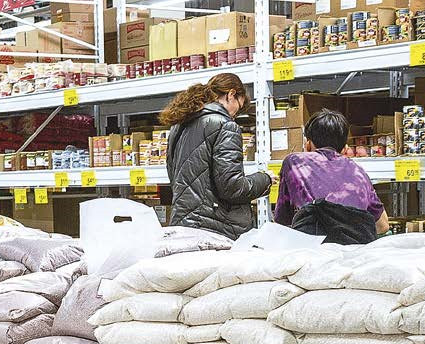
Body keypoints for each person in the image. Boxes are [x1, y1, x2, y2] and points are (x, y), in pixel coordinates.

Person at [161, 72, 272, 240]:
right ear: (231, 94)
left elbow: (173, 175)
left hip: (182, 225)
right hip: (214, 228)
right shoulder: (225, 125)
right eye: (239, 107)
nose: (235, 115)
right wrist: (264, 179)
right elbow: (232, 187)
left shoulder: (178, 126)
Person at [274, 107, 389, 243]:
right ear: (345, 148)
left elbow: (282, 221)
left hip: (315, 247)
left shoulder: (294, 162)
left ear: (308, 144)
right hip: (356, 249)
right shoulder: (358, 170)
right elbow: (383, 225)